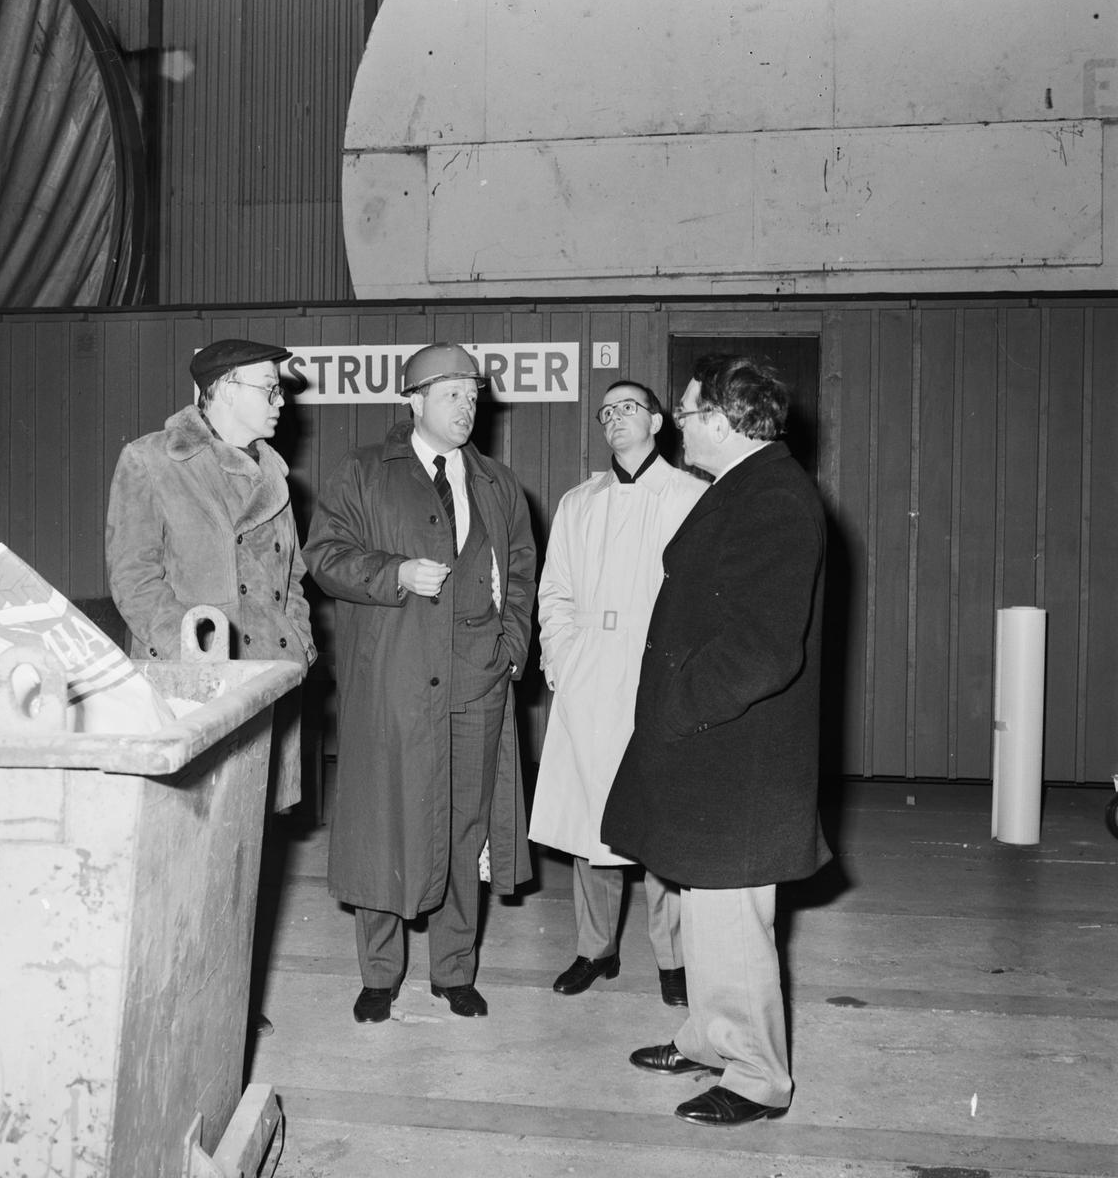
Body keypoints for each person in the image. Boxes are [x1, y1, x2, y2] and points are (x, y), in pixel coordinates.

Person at [601, 353, 829, 1127]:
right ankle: (709, 1038)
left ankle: (758, 1077)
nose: (680, 426)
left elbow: (765, 647)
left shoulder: (773, 497)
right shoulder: (743, 486)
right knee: (705, 910)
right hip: (715, 747)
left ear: (729, 421)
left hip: (737, 753)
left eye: (691, 413)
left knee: (733, 920)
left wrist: (676, 707)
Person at [304, 342, 536, 1024]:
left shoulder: (497, 483)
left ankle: (454, 970)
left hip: (477, 680)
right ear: (413, 400)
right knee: (386, 822)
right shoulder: (363, 471)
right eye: (452, 394)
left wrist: (511, 648)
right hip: (397, 680)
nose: (467, 407)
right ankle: (379, 973)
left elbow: (521, 571)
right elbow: (324, 557)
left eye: (473, 395)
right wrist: (395, 573)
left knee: (466, 826)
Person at [106, 337, 318, 1035]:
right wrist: (196, 655)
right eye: (268, 388)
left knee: (245, 850)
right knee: (181, 849)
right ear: (222, 388)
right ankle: (172, 1001)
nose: (281, 401)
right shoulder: (150, 461)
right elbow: (135, 580)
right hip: (193, 689)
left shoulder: (274, 473)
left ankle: (227, 997)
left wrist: (300, 649)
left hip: (266, 686)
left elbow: (293, 581)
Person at [528, 381, 707, 1005]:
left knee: (661, 816)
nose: (615, 418)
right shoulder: (579, 501)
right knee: (591, 817)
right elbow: (554, 591)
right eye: (605, 412)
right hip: (590, 670)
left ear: (657, 421)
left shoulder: (691, 496)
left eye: (628, 407)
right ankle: (595, 948)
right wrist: (562, 658)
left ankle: (674, 959)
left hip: (658, 673)